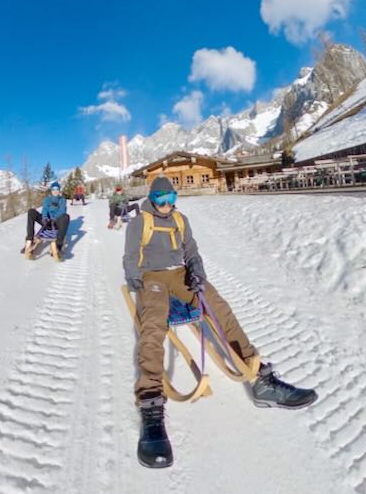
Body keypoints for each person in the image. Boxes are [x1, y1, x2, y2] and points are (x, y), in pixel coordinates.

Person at [123, 176, 317, 468]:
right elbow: (129, 256)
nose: (166, 205)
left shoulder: (180, 219)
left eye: (171, 198)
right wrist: (137, 282)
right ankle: (151, 403)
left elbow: (191, 252)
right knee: (153, 326)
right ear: (152, 198)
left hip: (179, 274)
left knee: (219, 308)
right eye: (161, 199)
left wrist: (197, 273)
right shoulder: (140, 221)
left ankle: (259, 376)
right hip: (152, 277)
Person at [24, 181, 70, 260]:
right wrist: (44, 217)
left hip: (56, 222)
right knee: (31, 211)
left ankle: (58, 245)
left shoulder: (62, 200)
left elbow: (62, 211)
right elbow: (44, 209)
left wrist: (54, 218)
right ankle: (30, 239)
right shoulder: (47, 200)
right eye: (53, 189)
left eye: (57, 189)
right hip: (46, 222)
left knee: (66, 216)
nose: (55, 191)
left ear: (59, 191)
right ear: (51, 190)